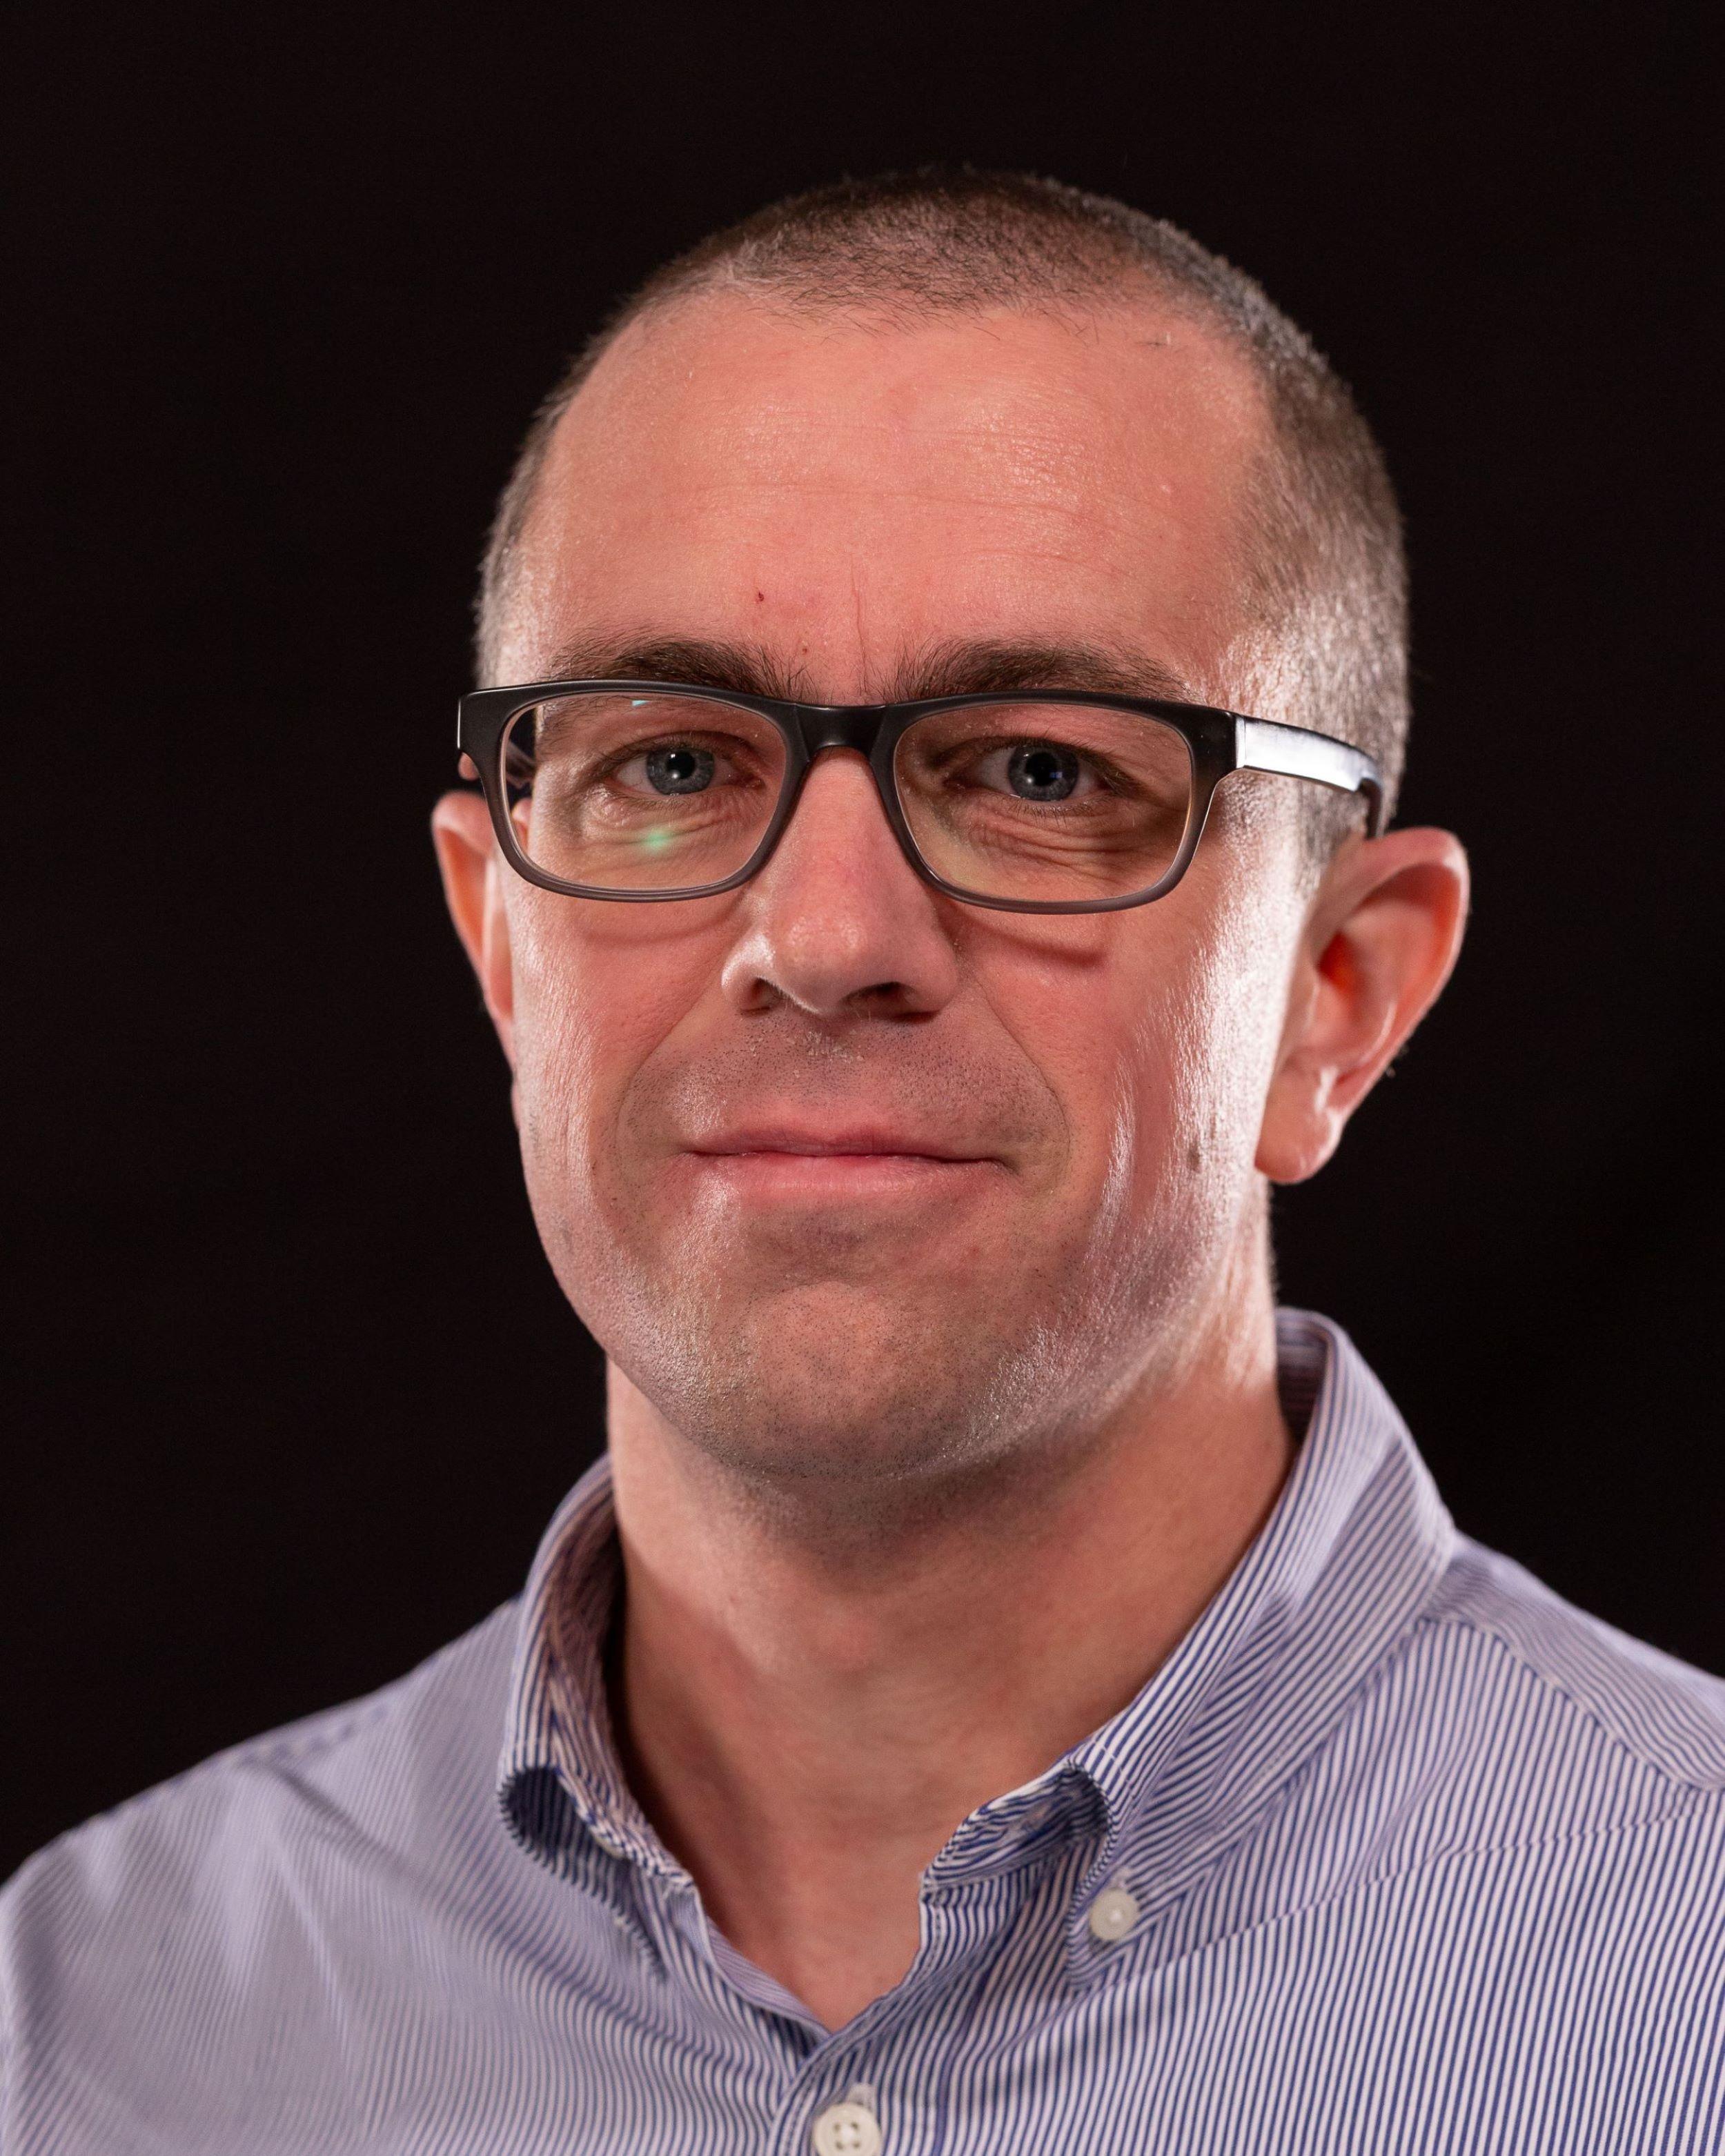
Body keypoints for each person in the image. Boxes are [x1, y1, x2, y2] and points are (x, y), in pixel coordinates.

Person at [4, 170, 1721, 2155]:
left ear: (1337, 990)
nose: (824, 937)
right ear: (504, 948)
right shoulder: (88, 2036)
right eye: (670, 763)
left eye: (1040, 771)